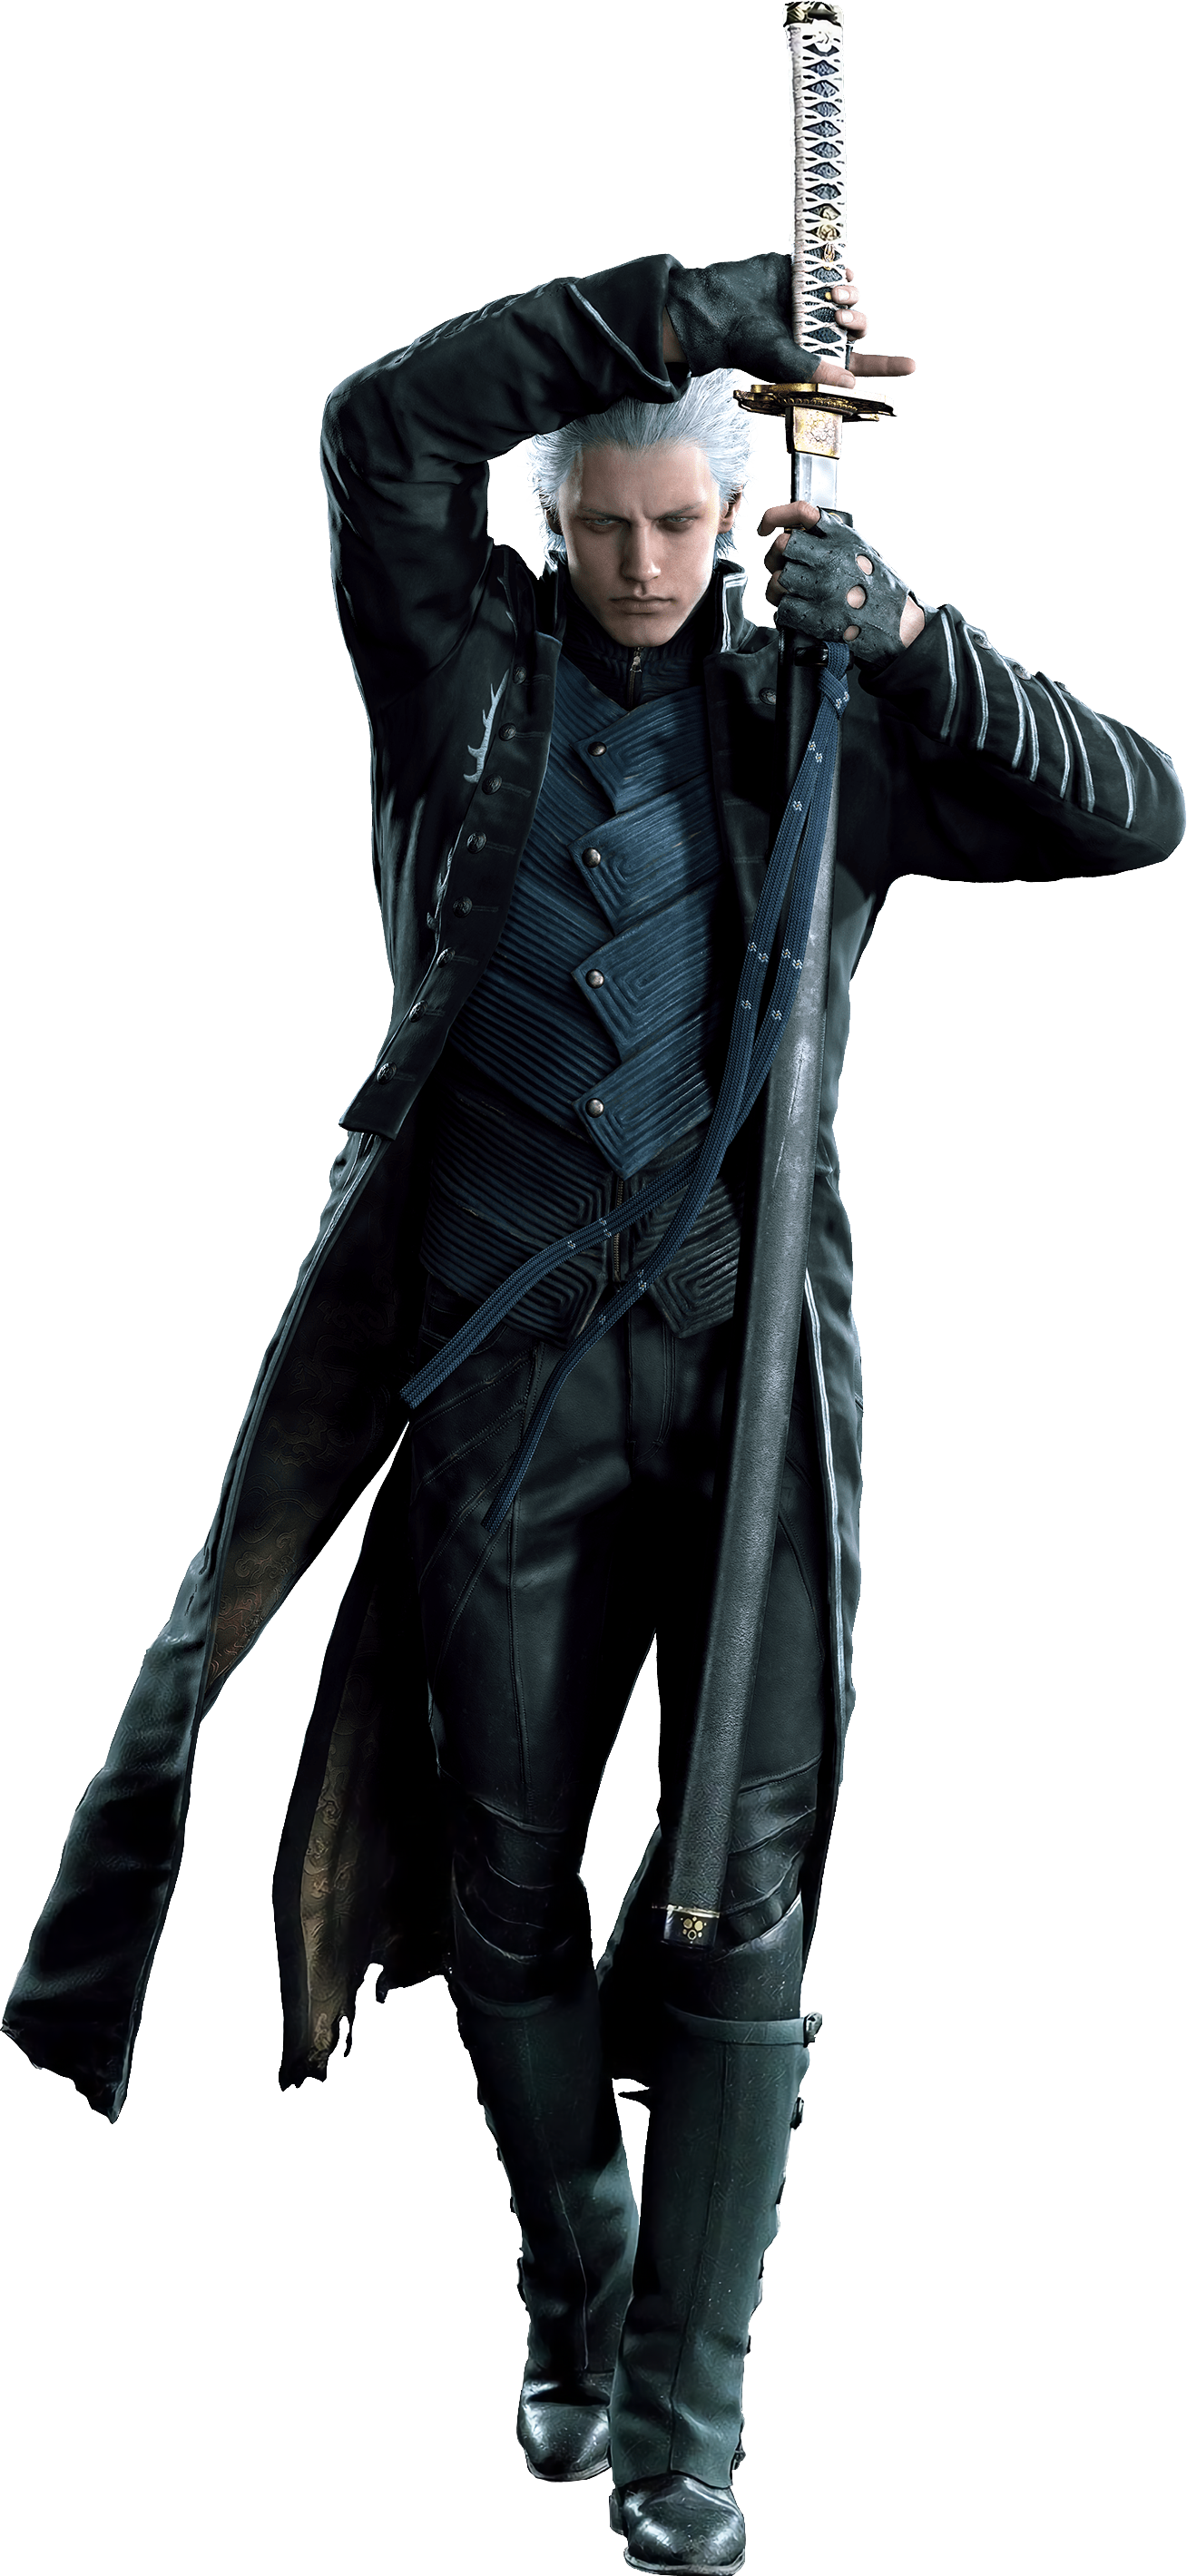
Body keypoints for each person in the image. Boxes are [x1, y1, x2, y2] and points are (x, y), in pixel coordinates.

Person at [5, 252, 1182, 2576]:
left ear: (736, 526)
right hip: (495, 1392)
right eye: (608, 522)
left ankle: (688, 2420)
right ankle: (577, 2276)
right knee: (503, 1879)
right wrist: (684, 309)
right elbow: (381, 427)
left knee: (749, 1899)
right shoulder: (458, 679)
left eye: (682, 525)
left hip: (747, 1418)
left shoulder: (815, 718)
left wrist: (911, 639)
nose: (646, 561)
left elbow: (1138, 807)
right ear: (552, 524)